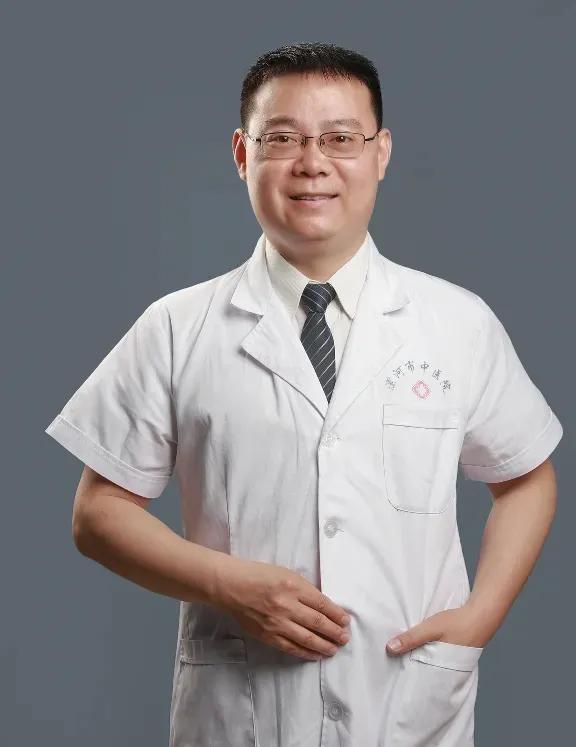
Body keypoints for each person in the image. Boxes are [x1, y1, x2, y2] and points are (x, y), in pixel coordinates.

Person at [44, 42, 563, 747]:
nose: (312, 163)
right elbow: (98, 514)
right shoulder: (177, 327)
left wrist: (482, 615)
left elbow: (526, 477)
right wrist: (227, 584)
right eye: (282, 138)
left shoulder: (457, 322)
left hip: (410, 708)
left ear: (381, 154)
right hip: (241, 713)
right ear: (242, 154)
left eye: (340, 138)